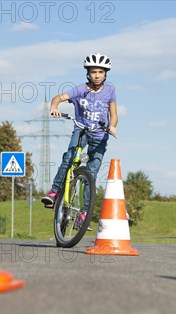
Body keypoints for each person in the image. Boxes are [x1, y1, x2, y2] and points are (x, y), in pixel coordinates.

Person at [42, 53, 118, 226]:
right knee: (69, 157)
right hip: (81, 129)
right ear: (88, 73)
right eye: (93, 72)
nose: (97, 75)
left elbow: (114, 115)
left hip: (100, 135)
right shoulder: (79, 89)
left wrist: (112, 126)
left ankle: (84, 213)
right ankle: (54, 192)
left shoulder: (110, 90)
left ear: (106, 73)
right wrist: (54, 106)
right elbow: (59, 98)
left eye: (100, 72)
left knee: (91, 173)